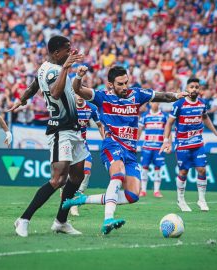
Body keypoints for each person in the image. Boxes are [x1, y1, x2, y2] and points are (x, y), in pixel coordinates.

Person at [62, 66, 187, 234]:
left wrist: (177, 96)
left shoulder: (136, 94)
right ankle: (108, 219)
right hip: (112, 145)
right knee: (118, 174)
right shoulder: (102, 97)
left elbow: (162, 96)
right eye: (120, 84)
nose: (125, 87)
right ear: (110, 84)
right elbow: (77, 88)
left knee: (133, 195)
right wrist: (78, 76)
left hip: (130, 152)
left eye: (126, 82)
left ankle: (81, 199)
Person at [10, 36, 89, 237]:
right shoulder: (55, 70)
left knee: (78, 175)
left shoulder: (44, 67)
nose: (70, 53)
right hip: (60, 129)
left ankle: (61, 222)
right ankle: (23, 219)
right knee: (58, 179)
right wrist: (66, 69)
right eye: (67, 50)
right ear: (56, 53)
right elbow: (55, 93)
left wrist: (22, 99)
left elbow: (35, 84)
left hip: (73, 128)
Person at [160, 77, 217, 212]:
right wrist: (166, 141)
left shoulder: (202, 104)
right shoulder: (178, 105)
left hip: (197, 143)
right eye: (192, 87)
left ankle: (201, 200)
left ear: (199, 89)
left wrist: (215, 132)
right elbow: (169, 123)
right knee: (183, 171)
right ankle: (181, 199)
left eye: (197, 87)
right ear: (187, 89)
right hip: (183, 144)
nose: (194, 89)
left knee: (202, 170)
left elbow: (205, 117)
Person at [69, 94, 105, 216]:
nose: (80, 97)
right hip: (67, 143)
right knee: (66, 176)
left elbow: (100, 125)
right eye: (77, 94)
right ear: (73, 95)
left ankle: (75, 201)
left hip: (82, 144)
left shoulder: (91, 108)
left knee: (87, 171)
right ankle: (66, 193)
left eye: (81, 94)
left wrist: (105, 139)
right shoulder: (68, 106)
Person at [138, 102, 168, 198]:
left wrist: (169, 144)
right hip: (147, 146)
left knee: (158, 168)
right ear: (150, 103)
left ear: (159, 103)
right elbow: (139, 130)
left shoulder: (164, 116)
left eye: (156, 102)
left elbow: (168, 131)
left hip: (159, 147)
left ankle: (156, 191)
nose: (155, 104)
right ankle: (143, 190)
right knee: (144, 167)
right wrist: (134, 143)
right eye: (153, 102)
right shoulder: (145, 116)